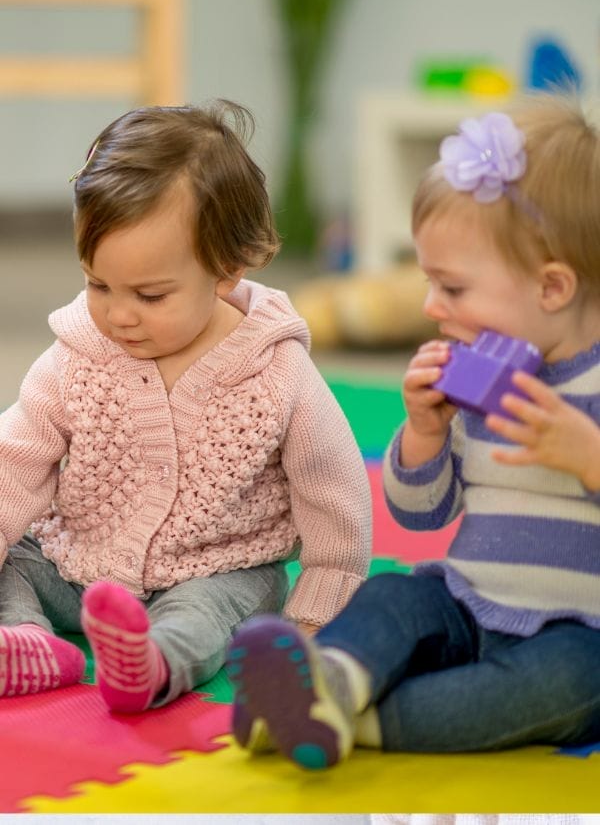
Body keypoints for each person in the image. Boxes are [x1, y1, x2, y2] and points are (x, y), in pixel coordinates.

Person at [227, 92, 600, 770]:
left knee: (570, 687)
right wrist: (425, 433)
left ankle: (353, 724)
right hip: (465, 603)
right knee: (395, 593)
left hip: (579, 638)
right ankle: (332, 679)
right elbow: (422, 514)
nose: (431, 307)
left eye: (452, 289)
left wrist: (588, 456)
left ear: (552, 288)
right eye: (427, 282)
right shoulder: (479, 381)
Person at [0, 100, 371, 712]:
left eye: (150, 295)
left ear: (225, 270)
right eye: (98, 284)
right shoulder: (74, 359)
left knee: (211, 616)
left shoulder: (275, 372)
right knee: (12, 557)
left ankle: (151, 665)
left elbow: (332, 488)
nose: (118, 314)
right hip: (78, 564)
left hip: (215, 568)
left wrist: (319, 606)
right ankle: (27, 641)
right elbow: (16, 460)